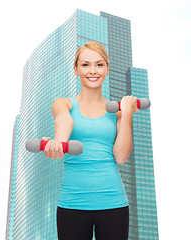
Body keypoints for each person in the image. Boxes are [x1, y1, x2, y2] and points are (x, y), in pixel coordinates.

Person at [42, 41, 138, 240]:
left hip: (114, 204)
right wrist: (59, 143)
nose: (92, 70)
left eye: (99, 64)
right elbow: (64, 120)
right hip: (71, 204)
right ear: (76, 69)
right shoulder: (64, 104)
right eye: (85, 65)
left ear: (107, 69)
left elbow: (121, 156)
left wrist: (127, 114)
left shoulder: (118, 112)